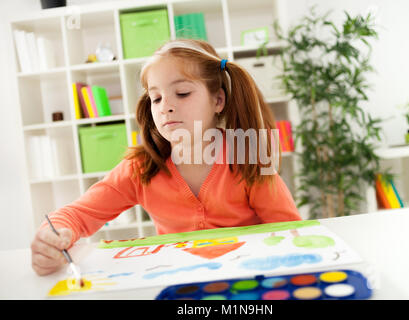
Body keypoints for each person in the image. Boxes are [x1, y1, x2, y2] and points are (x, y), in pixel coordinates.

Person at [31, 39, 302, 276]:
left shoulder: (247, 156)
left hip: (249, 279)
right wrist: (52, 237)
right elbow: (77, 215)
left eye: (182, 93)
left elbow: (292, 232)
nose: (166, 107)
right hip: (181, 285)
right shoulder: (141, 168)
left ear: (218, 100)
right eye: (156, 98)